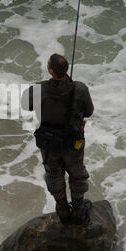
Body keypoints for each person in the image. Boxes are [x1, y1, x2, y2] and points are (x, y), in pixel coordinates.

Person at [23, 54, 94, 225]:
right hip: (72, 141)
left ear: (50, 70)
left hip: (49, 142)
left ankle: (62, 209)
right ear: (66, 69)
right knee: (77, 174)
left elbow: (26, 104)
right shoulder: (80, 89)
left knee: (54, 174)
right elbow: (89, 111)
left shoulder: (40, 89)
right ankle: (78, 210)